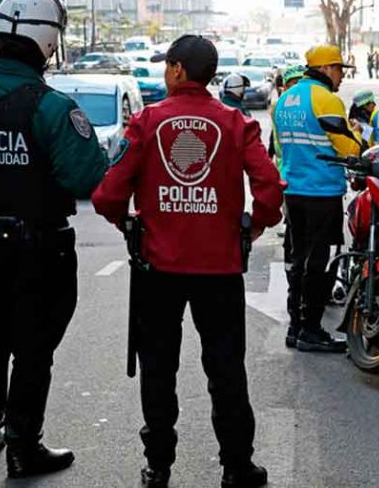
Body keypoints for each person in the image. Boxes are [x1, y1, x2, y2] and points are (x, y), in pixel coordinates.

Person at [92, 35, 283, 488]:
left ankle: (158, 466)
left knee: (158, 369)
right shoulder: (235, 123)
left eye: (167, 66)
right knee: (227, 370)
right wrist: (256, 225)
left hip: (157, 272)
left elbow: (107, 195)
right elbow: (270, 188)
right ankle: (237, 466)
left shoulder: (147, 122)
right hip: (219, 272)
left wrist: (129, 225)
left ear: (177, 70)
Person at [0, 0, 107, 477]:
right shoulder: (52, 107)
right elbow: (86, 177)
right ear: (47, 43)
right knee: (33, 349)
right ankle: (23, 446)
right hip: (39, 251)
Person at [274, 44, 364, 352]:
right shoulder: (326, 99)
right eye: (339, 69)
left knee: (298, 258)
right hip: (322, 191)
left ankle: (296, 327)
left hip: (293, 190)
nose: (341, 76)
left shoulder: (285, 99)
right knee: (320, 262)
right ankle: (311, 329)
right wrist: (357, 136)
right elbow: (348, 149)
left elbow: (281, 146)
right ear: (325, 69)